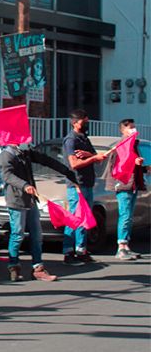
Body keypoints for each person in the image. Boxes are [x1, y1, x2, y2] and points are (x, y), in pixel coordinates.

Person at [0, 144, 78, 282]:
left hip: (31, 200)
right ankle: (14, 266)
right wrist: (25, 185)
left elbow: (45, 160)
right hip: (16, 200)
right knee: (17, 235)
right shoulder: (6, 155)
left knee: (37, 235)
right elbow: (7, 175)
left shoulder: (25, 152)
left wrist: (66, 171)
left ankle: (38, 268)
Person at [62, 109, 106, 266]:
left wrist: (89, 155)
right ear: (75, 123)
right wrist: (93, 157)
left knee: (84, 218)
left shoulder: (84, 138)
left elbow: (95, 156)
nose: (86, 122)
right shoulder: (70, 140)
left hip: (87, 183)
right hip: (77, 184)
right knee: (75, 218)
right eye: (83, 121)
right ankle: (68, 252)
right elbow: (74, 164)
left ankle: (81, 250)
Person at [102, 119, 148, 260]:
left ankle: (126, 246)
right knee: (125, 216)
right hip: (123, 184)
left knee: (129, 216)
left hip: (132, 184)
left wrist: (143, 168)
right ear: (123, 130)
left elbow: (134, 166)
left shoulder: (133, 144)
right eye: (130, 128)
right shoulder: (122, 145)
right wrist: (135, 163)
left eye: (134, 127)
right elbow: (120, 166)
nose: (133, 130)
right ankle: (121, 247)